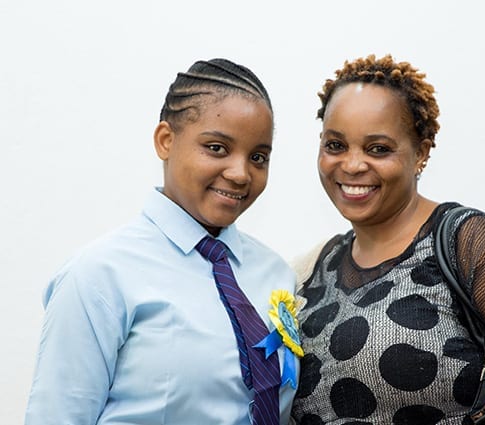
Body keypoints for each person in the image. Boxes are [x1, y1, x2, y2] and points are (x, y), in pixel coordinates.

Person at [291, 54, 485, 425]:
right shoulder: (313, 271)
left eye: (378, 149)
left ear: (420, 152)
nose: (353, 165)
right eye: (336, 145)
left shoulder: (465, 240)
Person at [25, 58, 300, 424]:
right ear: (166, 141)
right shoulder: (99, 276)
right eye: (217, 148)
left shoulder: (276, 274)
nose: (240, 173)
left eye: (258, 157)